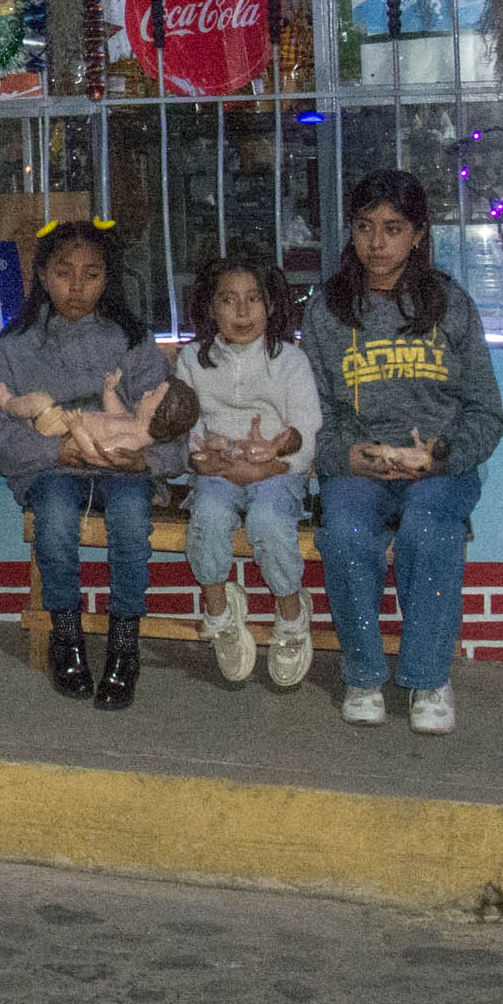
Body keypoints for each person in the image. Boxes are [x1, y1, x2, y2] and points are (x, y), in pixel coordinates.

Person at [304, 168, 503, 735]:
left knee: (428, 527)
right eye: (365, 227)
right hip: (359, 467)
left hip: (438, 468)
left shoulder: (449, 305)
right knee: (342, 529)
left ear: (418, 234)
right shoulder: (327, 311)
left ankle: (427, 678)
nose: (376, 243)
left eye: (392, 228)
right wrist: (346, 455)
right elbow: (309, 415)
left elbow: (488, 415)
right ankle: (364, 675)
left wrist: (437, 457)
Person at [0, 220, 179, 709]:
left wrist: (145, 457)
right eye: (64, 273)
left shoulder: (131, 339)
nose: (77, 287)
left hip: (121, 468)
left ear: (109, 279)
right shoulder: (18, 342)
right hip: (54, 467)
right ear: (42, 275)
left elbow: (169, 409)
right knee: (56, 521)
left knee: (130, 520)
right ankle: (67, 630)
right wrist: (51, 452)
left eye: (92, 274)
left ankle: (125, 641)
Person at [172, 246, 323, 695]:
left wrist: (273, 464)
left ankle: (293, 615)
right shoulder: (193, 360)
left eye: (253, 298)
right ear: (210, 307)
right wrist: (201, 459)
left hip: (276, 472)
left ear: (271, 305)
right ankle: (220, 612)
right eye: (228, 300)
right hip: (217, 471)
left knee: (269, 520)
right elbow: (185, 425)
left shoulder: (290, 362)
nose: (242, 311)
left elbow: (307, 431)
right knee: (209, 518)